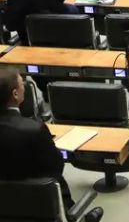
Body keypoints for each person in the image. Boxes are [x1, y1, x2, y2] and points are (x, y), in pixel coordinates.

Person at [0, 67, 105, 222]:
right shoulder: (35, 130)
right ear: (15, 94)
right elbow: (56, 167)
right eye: (22, 84)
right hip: (41, 207)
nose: (24, 88)